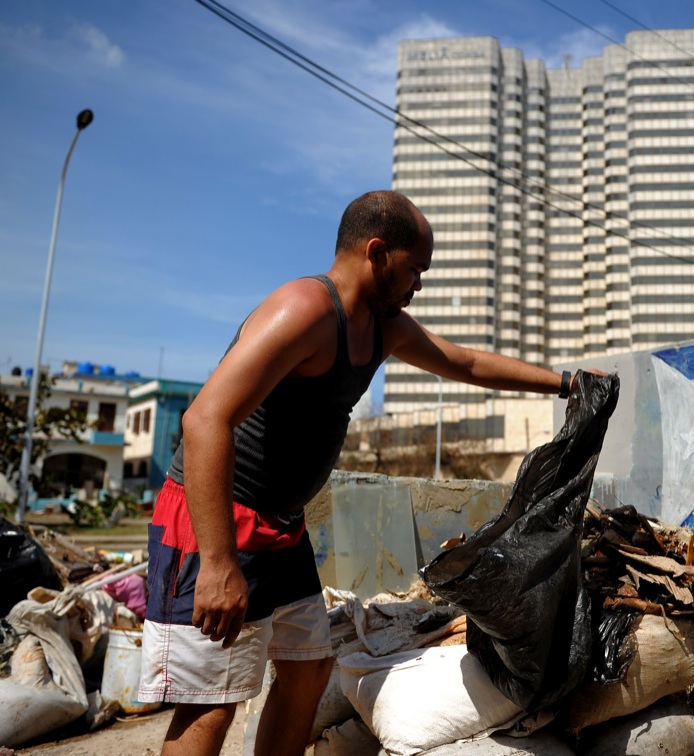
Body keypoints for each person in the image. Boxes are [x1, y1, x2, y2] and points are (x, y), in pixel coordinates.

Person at [138, 190, 590, 756]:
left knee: (306, 669)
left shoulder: (384, 328)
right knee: (212, 701)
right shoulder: (303, 309)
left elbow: (466, 362)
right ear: (377, 252)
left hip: (282, 529)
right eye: (415, 269)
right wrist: (218, 562)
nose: (418, 285)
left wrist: (566, 382)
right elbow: (204, 420)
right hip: (217, 521)